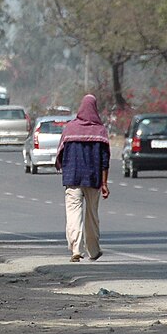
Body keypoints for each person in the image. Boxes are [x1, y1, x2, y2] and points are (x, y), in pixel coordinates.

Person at [55, 94, 111, 262]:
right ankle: (93, 251)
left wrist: (64, 167)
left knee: (73, 213)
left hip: (72, 178)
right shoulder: (100, 131)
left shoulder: (70, 129)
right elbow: (104, 160)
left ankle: (76, 249)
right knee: (92, 215)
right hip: (93, 179)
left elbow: (60, 153)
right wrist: (105, 183)